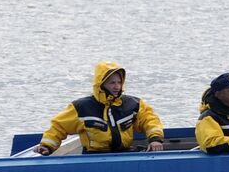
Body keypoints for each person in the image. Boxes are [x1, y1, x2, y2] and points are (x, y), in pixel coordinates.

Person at [35, 62, 165, 155]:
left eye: (119, 82)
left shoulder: (134, 104)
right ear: (101, 84)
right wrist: (47, 146)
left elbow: (150, 120)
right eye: (112, 83)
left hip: (125, 155)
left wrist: (155, 139)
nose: (117, 86)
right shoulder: (81, 107)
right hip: (93, 158)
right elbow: (59, 127)